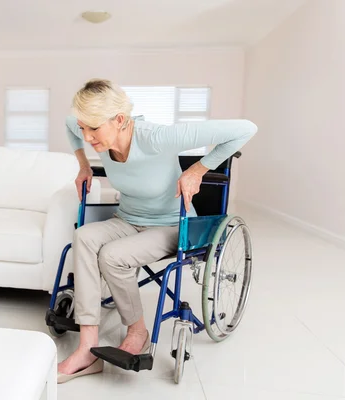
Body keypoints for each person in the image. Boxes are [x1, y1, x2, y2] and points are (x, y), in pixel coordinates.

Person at [57, 78, 257, 383]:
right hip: (127, 219)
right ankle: (88, 348)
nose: (86, 135)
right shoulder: (91, 131)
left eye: (93, 129)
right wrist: (83, 163)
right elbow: (71, 125)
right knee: (83, 236)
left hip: (171, 224)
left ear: (120, 120)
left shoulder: (157, 137)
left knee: (112, 256)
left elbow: (246, 128)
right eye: (85, 128)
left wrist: (198, 169)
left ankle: (137, 331)